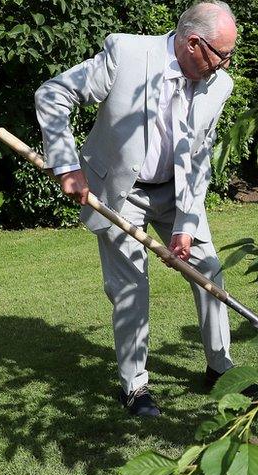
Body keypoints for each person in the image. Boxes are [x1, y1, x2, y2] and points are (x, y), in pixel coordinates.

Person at [34, 2, 238, 416]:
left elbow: (200, 157)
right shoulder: (126, 54)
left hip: (175, 194)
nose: (225, 64)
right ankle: (135, 388)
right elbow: (53, 93)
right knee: (131, 288)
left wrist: (186, 222)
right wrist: (67, 164)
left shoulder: (219, 85)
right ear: (193, 43)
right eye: (222, 54)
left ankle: (220, 369)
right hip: (119, 193)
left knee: (208, 271)